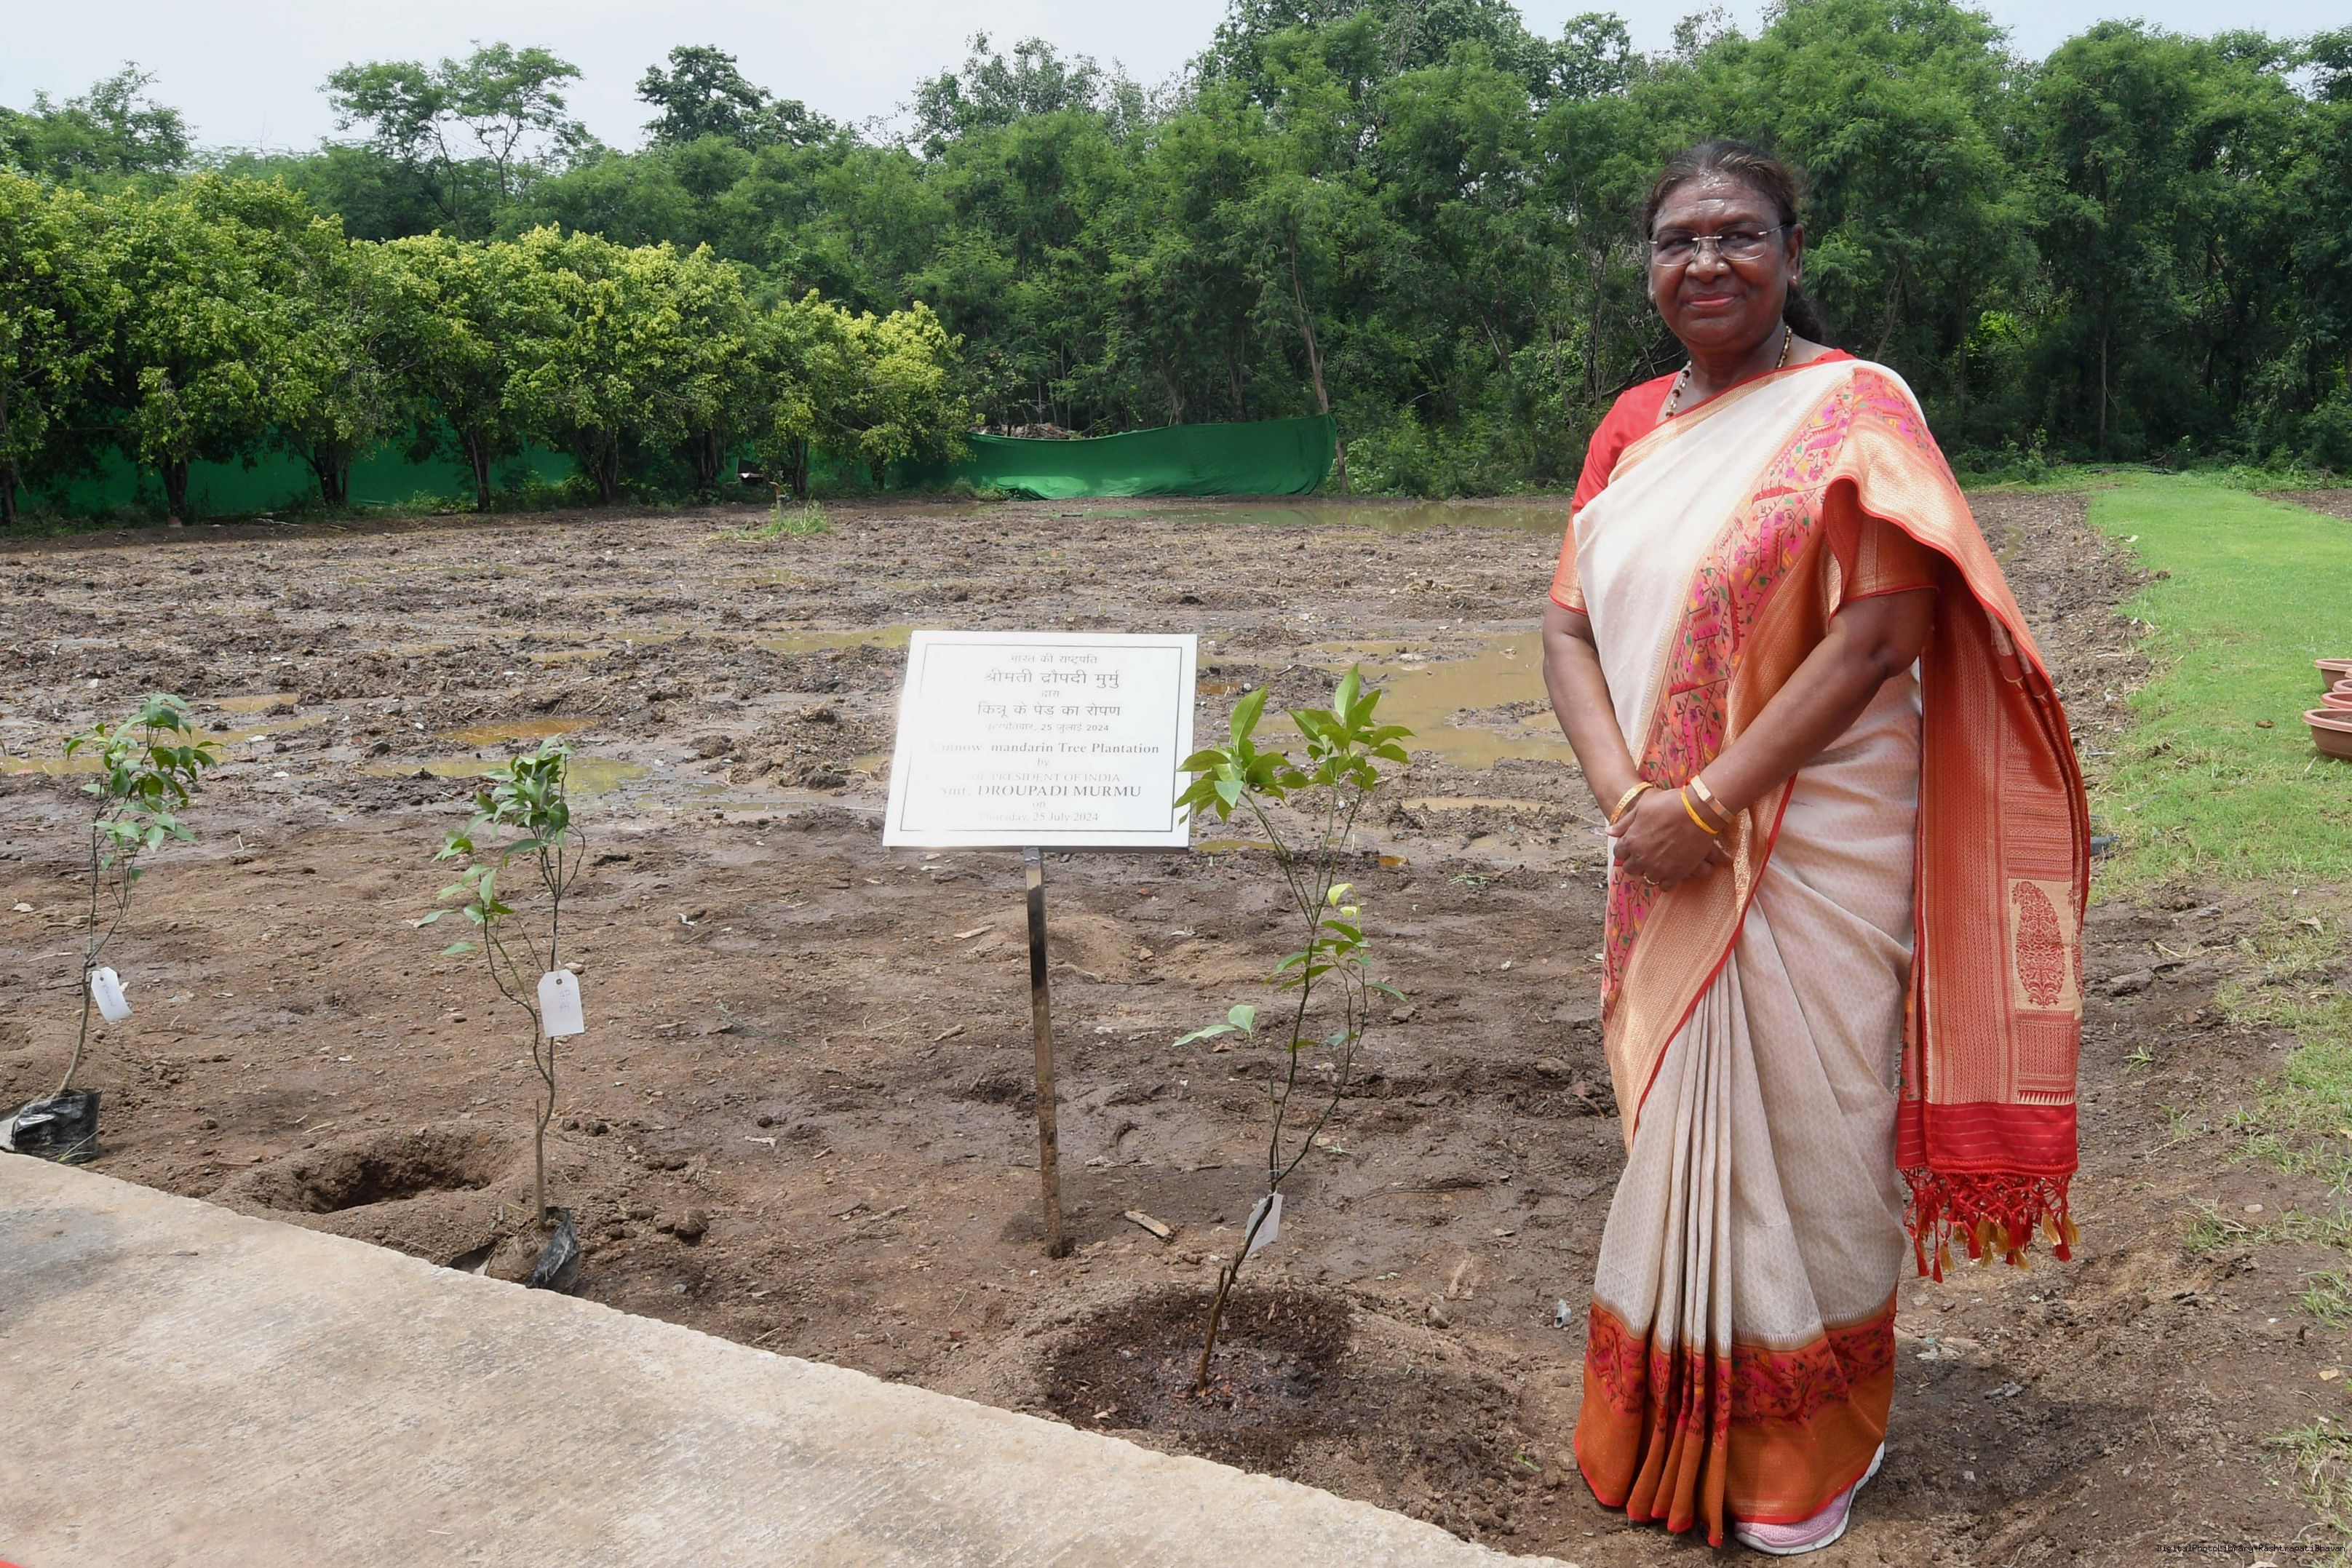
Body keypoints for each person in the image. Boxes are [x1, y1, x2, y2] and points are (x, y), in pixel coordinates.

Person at [1541, 140, 2089, 1556]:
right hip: (1657, 841)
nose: (1704, 261)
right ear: (1646, 267)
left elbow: (1880, 634)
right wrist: (1630, 803)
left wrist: (1708, 804)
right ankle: (1665, 1422)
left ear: (1791, 252)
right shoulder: (1628, 428)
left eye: (1736, 234)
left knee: (1816, 1128)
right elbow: (1566, 628)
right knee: (1679, 1121)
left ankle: (1802, 1443)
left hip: (1809, 838)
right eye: (1676, 239)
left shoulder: (1857, 408)